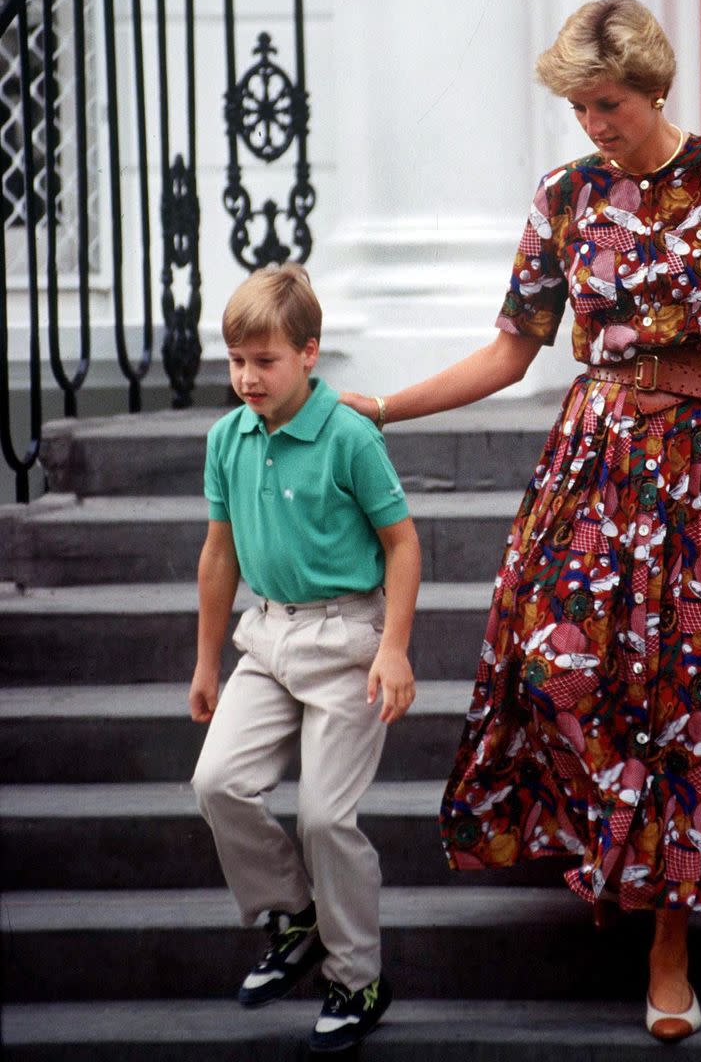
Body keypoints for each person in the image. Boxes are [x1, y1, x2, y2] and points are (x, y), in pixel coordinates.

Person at [341, 0, 701, 1041]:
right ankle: (610, 844)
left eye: (609, 103)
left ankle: (668, 938)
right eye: (579, 106)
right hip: (594, 460)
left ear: (655, 85)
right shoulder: (565, 195)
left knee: (691, 688)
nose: (594, 123)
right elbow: (512, 347)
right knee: (552, 660)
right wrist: (389, 404)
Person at [190, 263, 420, 1054]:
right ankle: (294, 915)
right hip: (266, 635)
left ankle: (357, 978)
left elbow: (403, 544)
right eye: (236, 361)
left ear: (310, 354)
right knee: (217, 782)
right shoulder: (226, 437)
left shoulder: (349, 436)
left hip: (348, 642)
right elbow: (218, 555)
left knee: (325, 817)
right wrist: (206, 663)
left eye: (265, 361)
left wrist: (393, 649)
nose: (248, 378)